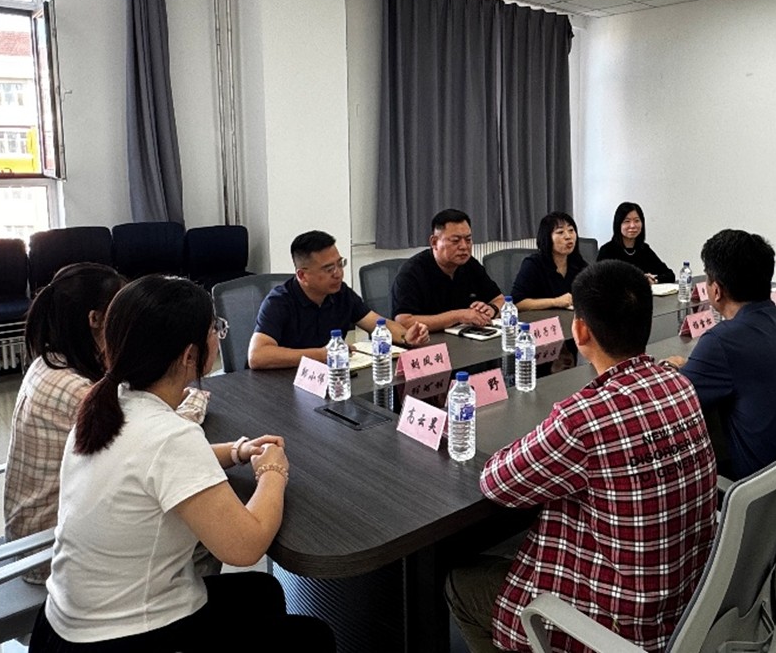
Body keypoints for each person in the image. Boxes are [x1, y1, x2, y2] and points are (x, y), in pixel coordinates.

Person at [30, 275, 334, 651]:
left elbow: (152, 467)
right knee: (314, 637)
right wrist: (274, 471)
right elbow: (246, 547)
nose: (218, 336)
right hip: (119, 635)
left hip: (62, 625)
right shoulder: (170, 436)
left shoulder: (108, 404)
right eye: (214, 329)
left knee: (262, 591)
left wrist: (235, 451)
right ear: (190, 356)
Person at [445, 261, 717, 653]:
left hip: (618, 627)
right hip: (687, 605)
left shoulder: (583, 418)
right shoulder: (679, 385)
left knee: (461, 584)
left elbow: (496, 483)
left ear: (580, 330)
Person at [665, 229, 776, 481]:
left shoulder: (723, 341)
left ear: (716, 290)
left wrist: (672, 370)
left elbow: (673, 402)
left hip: (774, 493)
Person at [3, 263, 127, 583]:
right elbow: (137, 440)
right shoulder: (76, 389)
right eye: (119, 313)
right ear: (95, 319)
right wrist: (192, 400)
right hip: (48, 553)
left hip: (29, 534)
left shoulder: (48, 363)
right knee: (192, 535)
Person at [248, 230, 427, 370]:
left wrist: (406, 337)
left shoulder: (341, 293)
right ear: (302, 275)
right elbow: (257, 356)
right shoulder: (279, 301)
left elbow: (377, 323)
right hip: (279, 385)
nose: (338, 273)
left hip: (329, 380)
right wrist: (322, 354)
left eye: (340, 264)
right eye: (328, 269)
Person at [391, 209, 504, 332]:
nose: (464, 246)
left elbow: (500, 299)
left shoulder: (470, 264)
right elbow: (403, 322)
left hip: (467, 337)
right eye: (455, 241)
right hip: (428, 340)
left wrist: (492, 309)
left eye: (468, 240)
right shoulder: (411, 272)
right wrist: (458, 316)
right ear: (434, 242)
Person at [510, 211, 588, 310]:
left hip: (570, 318)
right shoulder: (533, 264)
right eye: (560, 232)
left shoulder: (579, 264)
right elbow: (516, 302)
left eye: (571, 230)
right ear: (547, 238)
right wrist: (555, 302)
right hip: (540, 318)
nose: (568, 236)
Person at [596, 201, 675, 283]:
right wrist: (638, 279)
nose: (633, 226)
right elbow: (598, 280)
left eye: (637, 221)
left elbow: (670, 275)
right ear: (618, 224)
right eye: (627, 221)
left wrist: (654, 280)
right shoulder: (607, 250)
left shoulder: (644, 250)